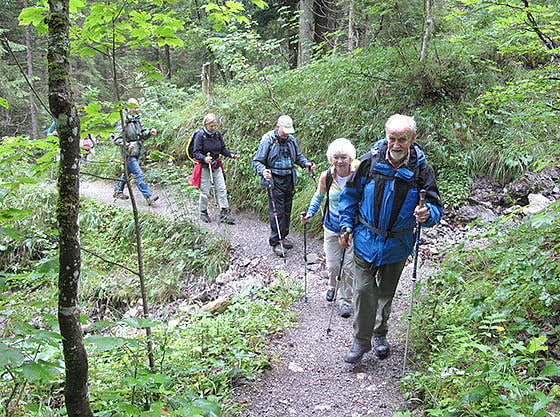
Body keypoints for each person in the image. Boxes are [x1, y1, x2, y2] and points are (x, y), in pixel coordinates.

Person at [338, 114, 442, 363]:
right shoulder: (370, 161)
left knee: (385, 293)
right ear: (386, 137)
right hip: (366, 238)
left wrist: (427, 214)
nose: (396, 145)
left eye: (402, 139)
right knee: (363, 290)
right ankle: (361, 342)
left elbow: (435, 208)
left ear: (413, 139)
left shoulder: (421, 169)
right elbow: (350, 196)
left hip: (398, 243)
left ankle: (380, 334)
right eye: (392, 138)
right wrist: (346, 226)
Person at [301, 138, 357, 318]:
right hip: (332, 227)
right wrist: (310, 213)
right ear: (331, 158)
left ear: (350, 158)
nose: (340, 161)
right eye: (336, 157)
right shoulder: (327, 176)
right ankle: (332, 285)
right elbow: (319, 196)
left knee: (348, 267)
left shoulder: (357, 176)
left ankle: (345, 301)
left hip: (352, 229)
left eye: (344, 157)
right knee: (333, 265)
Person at [252, 115, 316, 257]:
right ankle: (276, 241)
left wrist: (306, 164)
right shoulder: (268, 140)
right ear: (277, 127)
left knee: (287, 210)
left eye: (288, 131)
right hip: (274, 180)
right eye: (284, 131)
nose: (286, 134)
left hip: (289, 179)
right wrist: (263, 171)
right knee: (277, 212)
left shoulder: (291, 140)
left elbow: (298, 157)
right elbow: (257, 161)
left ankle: (283, 236)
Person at [191, 113, 239, 224]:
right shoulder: (200, 135)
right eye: (211, 126)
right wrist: (204, 158)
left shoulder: (217, 134)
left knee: (221, 188)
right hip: (204, 167)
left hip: (216, 165)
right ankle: (203, 212)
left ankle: (224, 212)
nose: (213, 128)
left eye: (215, 125)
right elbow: (195, 153)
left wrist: (231, 155)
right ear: (206, 125)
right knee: (205, 191)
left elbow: (222, 149)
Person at [113, 98, 159, 205]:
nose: (136, 108)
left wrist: (150, 133)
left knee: (127, 172)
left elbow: (142, 134)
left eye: (137, 106)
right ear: (128, 107)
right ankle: (148, 195)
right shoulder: (123, 120)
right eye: (134, 106)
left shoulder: (137, 119)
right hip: (128, 152)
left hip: (137, 151)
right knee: (138, 174)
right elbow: (117, 139)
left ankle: (117, 190)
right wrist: (128, 145)